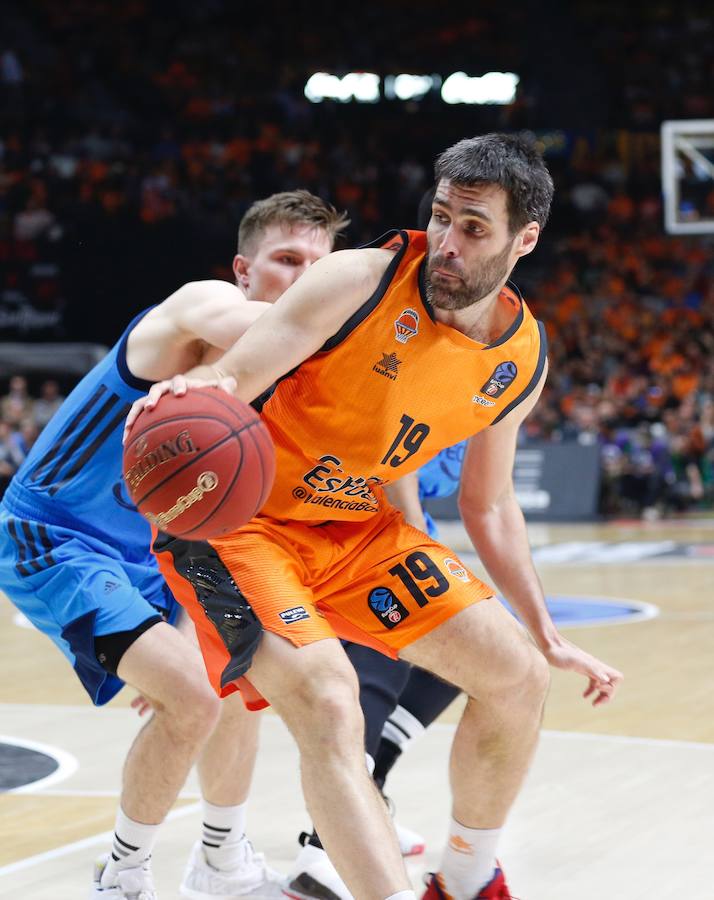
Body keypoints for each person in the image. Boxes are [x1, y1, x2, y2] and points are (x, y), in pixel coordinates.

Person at [136, 133, 623, 900]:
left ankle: (463, 879)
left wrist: (548, 631)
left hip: (355, 527)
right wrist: (191, 399)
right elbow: (236, 373)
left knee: (519, 677)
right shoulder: (359, 278)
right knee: (331, 704)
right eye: (441, 217)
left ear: (524, 239)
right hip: (243, 526)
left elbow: (489, 505)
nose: (448, 244)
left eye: (474, 228)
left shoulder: (520, 360)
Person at [0, 190, 349, 900]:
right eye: (286, 261)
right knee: (191, 700)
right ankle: (121, 878)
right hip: (56, 533)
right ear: (243, 270)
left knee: (238, 677)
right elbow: (283, 326)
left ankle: (220, 861)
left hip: (153, 553)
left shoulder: (264, 388)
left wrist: (187, 630)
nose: (301, 279)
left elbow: (208, 519)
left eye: (320, 267)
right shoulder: (201, 307)